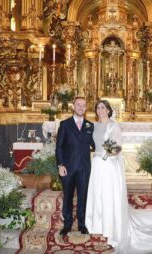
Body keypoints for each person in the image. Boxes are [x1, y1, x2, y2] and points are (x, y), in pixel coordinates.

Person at [85, 100, 152, 253]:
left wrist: (111, 153)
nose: (100, 110)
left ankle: (112, 225)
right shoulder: (93, 126)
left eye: (103, 107)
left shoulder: (113, 125)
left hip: (109, 164)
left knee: (109, 195)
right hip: (97, 164)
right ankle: (99, 223)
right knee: (98, 194)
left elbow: (118, 147)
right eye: (98, 107)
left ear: (109, 110)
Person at [56, 97, 95, 235]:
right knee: (68, 196)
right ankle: (67, 224)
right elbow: (59, 147)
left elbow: (95, 145)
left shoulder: (90, 126)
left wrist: (109, 145)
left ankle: (82, 224)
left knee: (83, 196)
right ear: (73, 106)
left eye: (83, 105)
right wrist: (60, 165)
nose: (81, 107)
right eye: (78, 105)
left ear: (86, 108)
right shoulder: (65, 124)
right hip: (68, 167)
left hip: (84, 168)